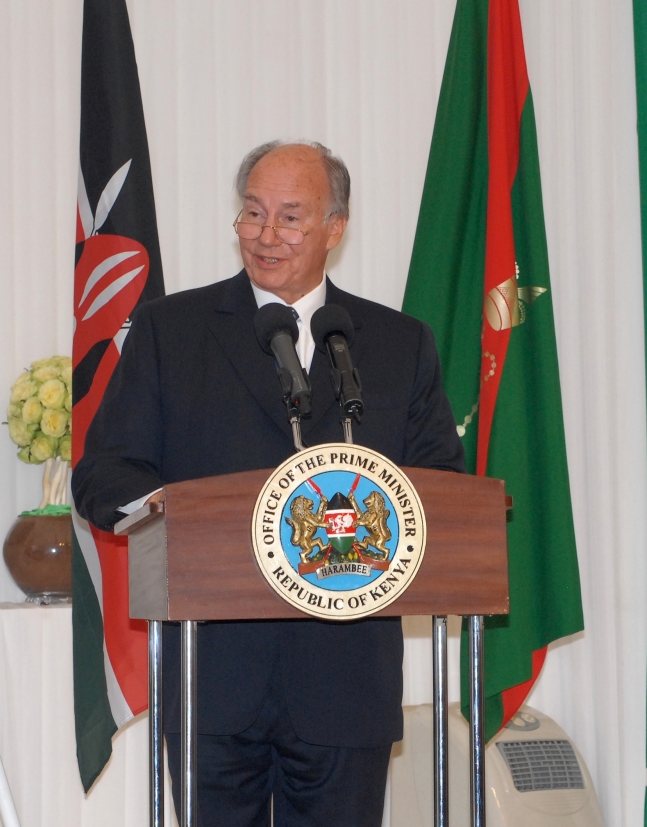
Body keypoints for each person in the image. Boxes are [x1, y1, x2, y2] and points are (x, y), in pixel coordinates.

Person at [71, 141, 465, 827]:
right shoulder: (174, 331)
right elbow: (104, 472)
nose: (265, 235)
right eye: (252, 213)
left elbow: (442, 486)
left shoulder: (398, 343)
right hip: (213, 684)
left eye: (289, 217)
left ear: (335, 229)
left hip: (347, 684)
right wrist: (169, 511)